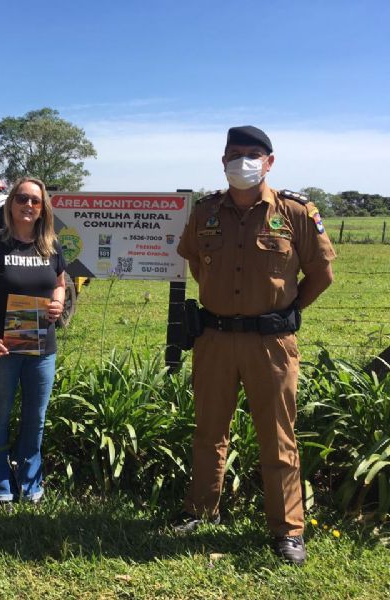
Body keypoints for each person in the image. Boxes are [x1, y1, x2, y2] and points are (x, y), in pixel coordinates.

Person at [174, 126, 335, 565]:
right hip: (215, 340)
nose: (241, 161)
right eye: (233, 154)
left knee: (278, 437)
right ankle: (201, 511)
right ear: (222, 160)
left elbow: (322, 273)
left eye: (251, 154)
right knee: (209, 431)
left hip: (272, 343)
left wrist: (291, 308)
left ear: (269, 161)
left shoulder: (296, 212)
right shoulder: (205, 213)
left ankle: (288, 530)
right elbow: (195, 262)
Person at [0, 177, 67, 504]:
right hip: (3, 347)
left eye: (35, 201)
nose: (28, 205)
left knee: (35, 417)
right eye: (22, 198)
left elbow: (59, 284)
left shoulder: (51, 245)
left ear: (43, 208)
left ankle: (30, 480)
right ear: (11, 203)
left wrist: (57, 300)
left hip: (42, 349)